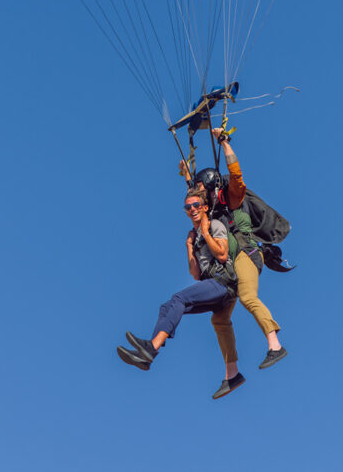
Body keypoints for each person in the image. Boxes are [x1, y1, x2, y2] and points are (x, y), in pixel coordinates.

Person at [117, 188, 246, 399]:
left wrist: (205, 232)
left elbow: (222, 255)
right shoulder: (194, 237)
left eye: (196, 206)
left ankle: (152, 348)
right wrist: (189, 245)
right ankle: (148, 354)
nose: (192, 209)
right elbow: (195, 274)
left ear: (205, 208)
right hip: (212, 287)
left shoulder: (214, 225)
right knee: (167, 306)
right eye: (188, 207)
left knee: (179, 298)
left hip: (223, 283)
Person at [180, 128, 288, 373]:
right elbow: (193, 203)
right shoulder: (212, 209)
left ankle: (275, 345)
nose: (198, 197)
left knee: (248, 297)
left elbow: (236, 175)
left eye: (200, 190)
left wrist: (224, 142)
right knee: (219, 318)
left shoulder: (233, 197)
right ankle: (232, 373)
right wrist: (187, 172)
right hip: (229, 265)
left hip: (246, 255)